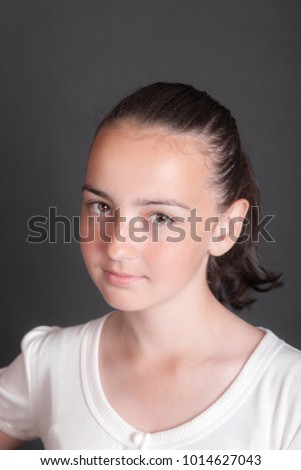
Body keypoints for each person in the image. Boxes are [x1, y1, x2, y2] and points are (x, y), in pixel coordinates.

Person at [0, 82, 300, 450]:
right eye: (101, 207)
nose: (117, 246)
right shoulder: (48, 365)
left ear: (225, 228)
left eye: (159, 217)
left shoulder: (288, 397)